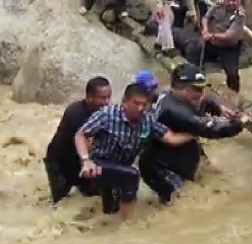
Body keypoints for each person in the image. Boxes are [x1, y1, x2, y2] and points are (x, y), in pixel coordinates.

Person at [74, 82, 194, 222]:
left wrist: (195, 133)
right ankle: (128, 227)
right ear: (124, 101)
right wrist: (86, 160)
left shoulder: (147, 120)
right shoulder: (107, 115)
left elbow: (171, 138)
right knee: (132, 175)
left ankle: (100, 226)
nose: (140, 108)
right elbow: (81, 135)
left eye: (144, 104)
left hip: (121, 169)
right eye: (135, 103)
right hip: (98, 166)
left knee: (112, 209)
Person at [138, 63, 248, 205]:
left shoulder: (174, 96)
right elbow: (210, 130)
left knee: (210, 177)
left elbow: (204, 100)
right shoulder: (175, 110)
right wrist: (239, 124)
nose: (200, 93)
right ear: (178, 87)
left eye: (202, 88)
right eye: (195, 89)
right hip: (163, 168)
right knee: (178, 206)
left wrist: (218, 108)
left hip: (182, 152)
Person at [44, 76, 111, 205]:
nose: (106, 102)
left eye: (108, 97)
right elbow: (86, 142)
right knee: (61, 203)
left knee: (93, 197)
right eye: (102, 98)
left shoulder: (104, 113)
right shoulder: (75, 113)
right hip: (59, 162)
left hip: (78, 161)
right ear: (89, 97)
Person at [190, 0, 245, 92]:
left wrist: (211, 35)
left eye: (235, 1)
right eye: (229, 0)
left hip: (229, 47)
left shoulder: (240, 15)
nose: (231, 3)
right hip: (212, 43)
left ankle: (234, 95)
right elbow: (206, 18)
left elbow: (229, 35)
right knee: (193, 51)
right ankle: (194, 83)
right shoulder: (218, 5)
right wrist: (205, 30)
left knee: (232, 74)